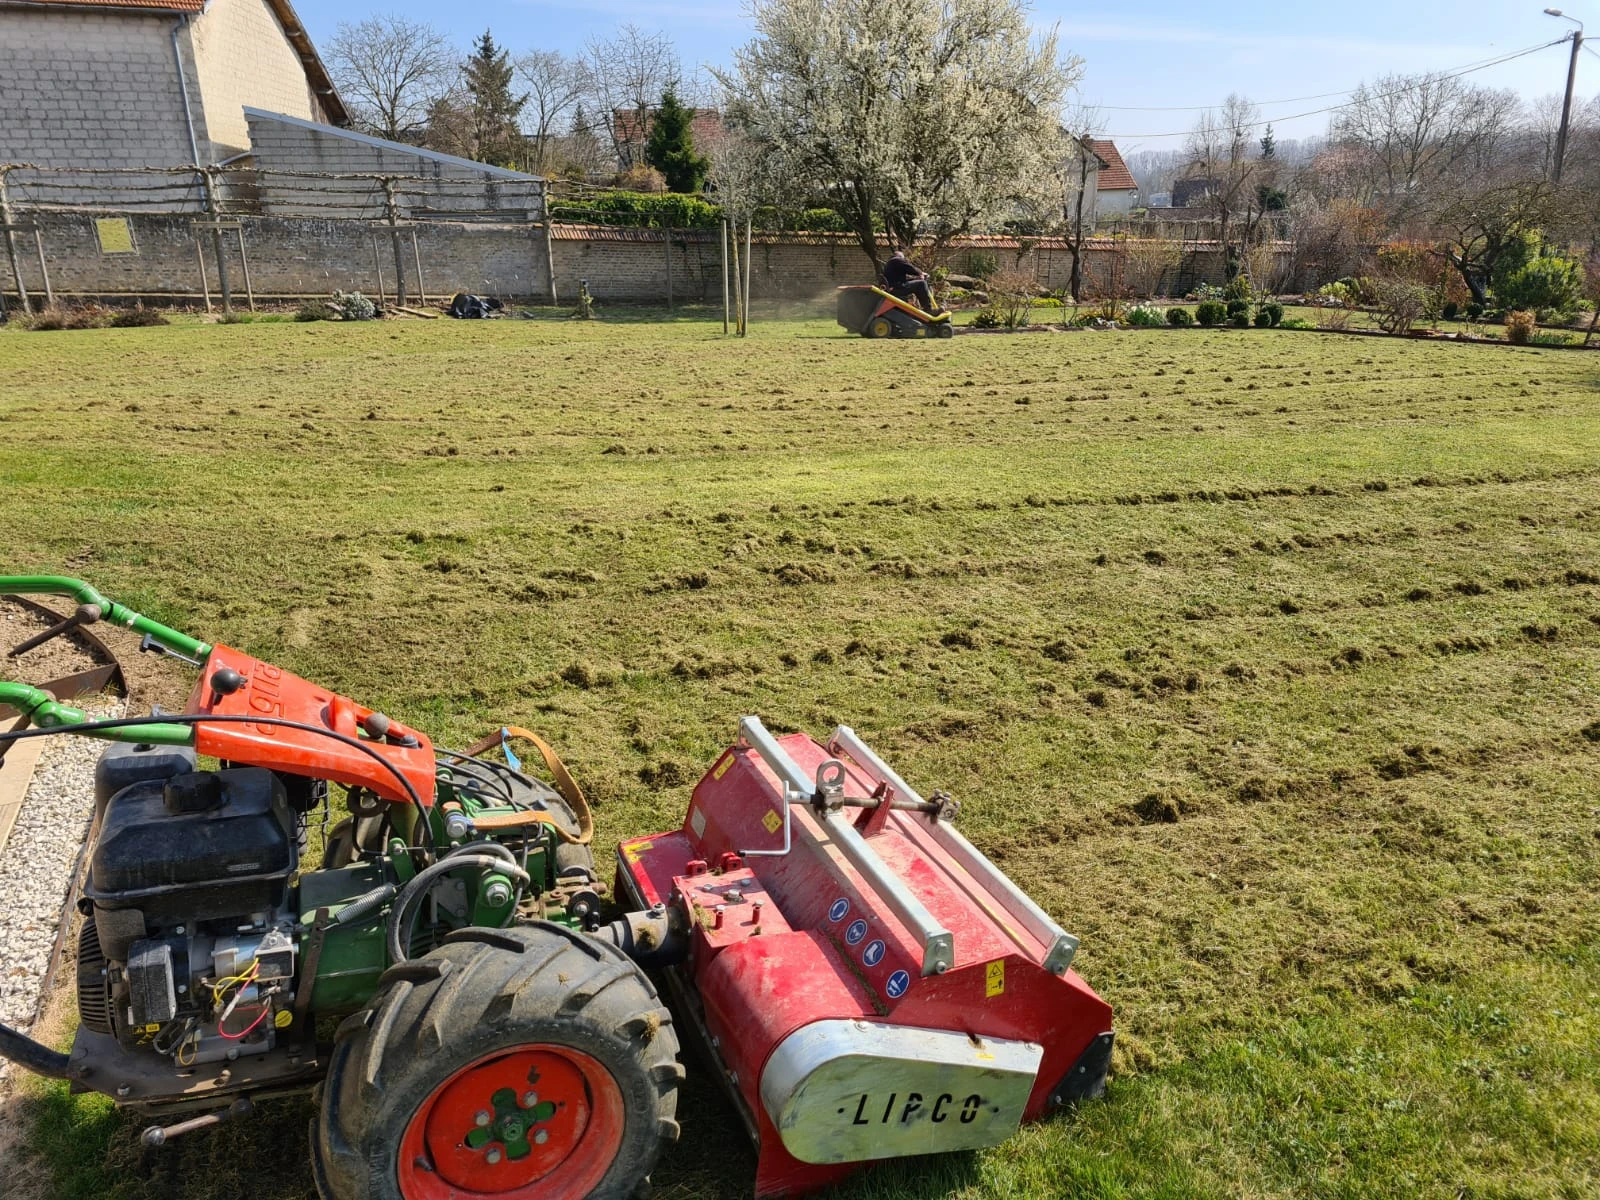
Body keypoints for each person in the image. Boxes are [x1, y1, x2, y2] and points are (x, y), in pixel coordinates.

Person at [882, 249, 941, 314]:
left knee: (918, 283)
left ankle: (926, 308)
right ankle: (928, 310)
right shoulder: (896, 260)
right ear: (899, 256)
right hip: (897, 288)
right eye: (903, 258)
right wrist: (920, 273)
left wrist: (916, 278)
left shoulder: (891, 264)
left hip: (895, 287)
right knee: (921, 284)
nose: (904, 260)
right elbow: (909, 267)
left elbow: (902, 279)